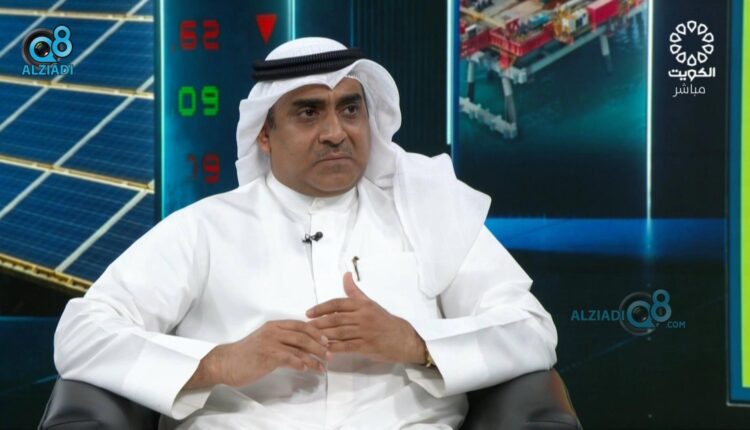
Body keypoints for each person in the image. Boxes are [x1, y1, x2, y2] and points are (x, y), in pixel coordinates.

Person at [53, 37, 557, 429]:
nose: (336, 132)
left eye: (350, 109)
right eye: (309, 112)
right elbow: (82, 333)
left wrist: (415, 342)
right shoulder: (205, 229)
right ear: (264, 135)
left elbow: (531, 329)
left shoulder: (426, 210)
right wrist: (218, 362)